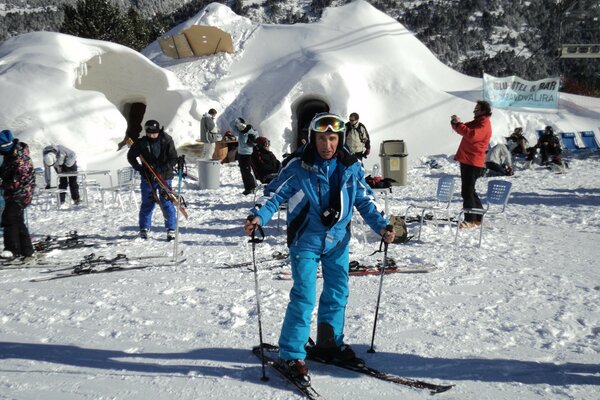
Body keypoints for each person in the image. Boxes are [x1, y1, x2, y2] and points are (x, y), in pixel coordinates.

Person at [244, 113, 395, 387]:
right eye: (322, 138)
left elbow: (365, 200)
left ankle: (329, 343)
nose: (327, 144)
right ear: (313, 139)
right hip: (306, 241)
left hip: (337, 241)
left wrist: (382, 226)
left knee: (338, 292)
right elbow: (274, 195)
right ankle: (291, 353)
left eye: (333, 138)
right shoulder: (298, 168)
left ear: (340, 139)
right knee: (304, 296)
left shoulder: (350, 168)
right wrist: (258, 216)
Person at [127, 120, 178, 241]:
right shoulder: (142, 142)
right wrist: (139, 168)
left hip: (164, 177)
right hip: (148, 178)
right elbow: (131, 156)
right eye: (149, 133)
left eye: (154, 133)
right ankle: (144, 228)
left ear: (159, 131)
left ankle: (171, 229)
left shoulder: (166, 139)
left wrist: (161, 169)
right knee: (147, 203)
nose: (152, 136)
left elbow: (173, 159)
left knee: (166, 203)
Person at [450, 100, 492, 228]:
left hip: (473, 161)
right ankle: (478, 217)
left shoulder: (484, 124)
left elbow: (471, 135)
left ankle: (470, 219)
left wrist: (459, 125)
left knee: (467, 191)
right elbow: (463, 128)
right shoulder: (478, 122)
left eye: (477, 109)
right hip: (468, 160)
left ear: (484, 111)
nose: (474, 111)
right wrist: (456, 123)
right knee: (470, 190)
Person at [0, 130, 36, 260]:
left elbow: (17, 182)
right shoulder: (10, 155)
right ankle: (27, 250)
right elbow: (4, 171)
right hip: (12, 193)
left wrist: (2, 183)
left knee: (9, 217)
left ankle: (12, 249)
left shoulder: (20, 159)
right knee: (17, 220)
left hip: (22, 192)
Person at [232, 117, 258, 195]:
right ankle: (247, 188)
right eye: (238, 126)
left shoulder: (250, 131)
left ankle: (252, 187)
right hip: (240, 154)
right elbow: (233, 129)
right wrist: (236, 121)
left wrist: (252, 140)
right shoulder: (240, 131)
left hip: (248, 154)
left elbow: (256, 140)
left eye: (241, 126)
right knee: (243, 171)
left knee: (247, 171)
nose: (240, 128)